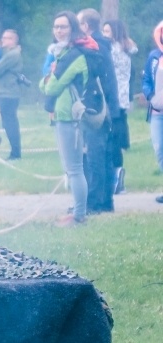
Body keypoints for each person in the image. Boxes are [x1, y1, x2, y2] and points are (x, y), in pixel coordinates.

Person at [41, 11, 92, 227]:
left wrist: (45, 82)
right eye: (56, 27)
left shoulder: (74, 55)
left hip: (70, 117)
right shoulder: (62, 53)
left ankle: (79, 216)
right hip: (63, 115)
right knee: (70, 168)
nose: (59, 30)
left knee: (74, 168)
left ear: (72, 28)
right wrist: (47, 81)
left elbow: (50, 85)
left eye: (63, 26)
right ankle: (76, 211)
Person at [77, 8, 121, 214]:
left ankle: (95, 202)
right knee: (103, 156)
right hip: (107, 107)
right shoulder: (102, 45)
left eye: (79, 24)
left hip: (97, 108)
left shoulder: (93, 47)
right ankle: (105, 201)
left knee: (96, 156)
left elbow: (103, 80)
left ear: (86, 26)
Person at [103, 20, 138, 194]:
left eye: (107, 31)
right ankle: (118, 176)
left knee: (110, 140)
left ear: (115, 32)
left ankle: (115, 178)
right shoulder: (126, 49)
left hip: (112, 98)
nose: (104, 35)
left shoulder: (113, 49)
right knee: (115, 139)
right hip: (122, 99)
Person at [0, 29, 23, 160]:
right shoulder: (9, 54)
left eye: (6, 38)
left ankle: (15, 153)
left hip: (8, 93)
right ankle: (14, 151)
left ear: (13, 41)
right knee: (8, 122)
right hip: (7, 92)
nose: (3, 40)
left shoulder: (12, 55)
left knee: (10, 122)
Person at [143, 20, 163, 203]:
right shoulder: (154, 57)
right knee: (159, 150)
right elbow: (147, 80)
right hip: (157, 113)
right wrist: (150, 96)